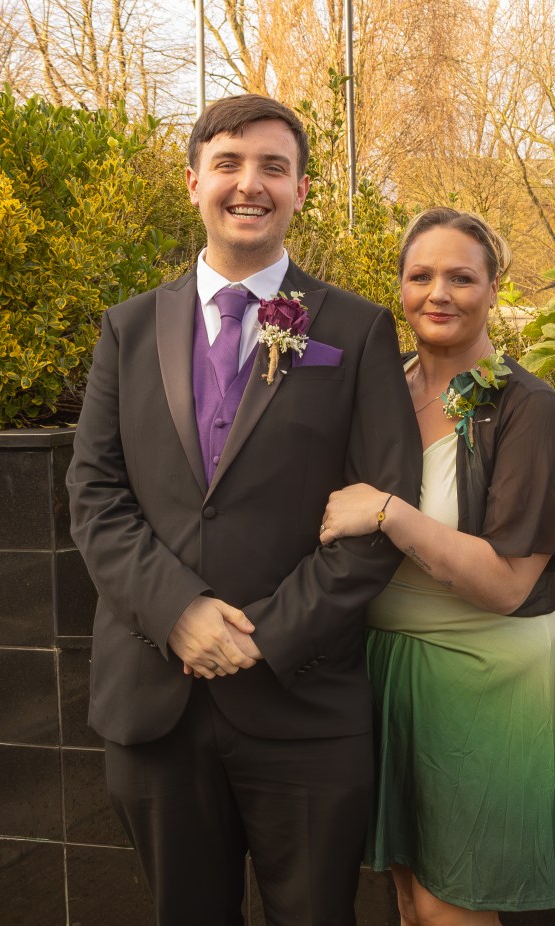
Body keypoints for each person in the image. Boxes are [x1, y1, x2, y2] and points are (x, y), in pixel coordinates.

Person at [66, 93, 422, 926]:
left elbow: (385, 510)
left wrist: (262, 636)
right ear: (194, 181)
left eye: (273, 167)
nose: (249, 184)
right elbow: (95, 494)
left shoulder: (358, 330)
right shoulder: (127, 329)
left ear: (301, 190)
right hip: (155, 701)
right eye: (227, 163)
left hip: (303, 701)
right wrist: (178, 612)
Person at [320, 207, 555, 925]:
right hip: (386, 666)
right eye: (421, 276)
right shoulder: (385, 387)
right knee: (411, 901)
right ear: (400, 287)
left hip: (484, 673)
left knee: (451, 907)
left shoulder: (527, 407)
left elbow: (508, 583)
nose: (438, 293)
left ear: (494, 289)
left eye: (461, 278)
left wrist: (390, 512)